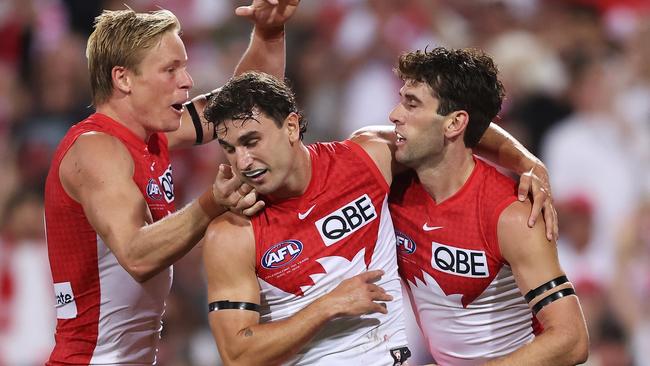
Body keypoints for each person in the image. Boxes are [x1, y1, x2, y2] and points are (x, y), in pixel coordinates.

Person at [200, 71, 555, 365]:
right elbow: (237, 354)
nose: (242, 161)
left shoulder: (366, 159)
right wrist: (328, 306)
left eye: (251, 141)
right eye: (230, 149)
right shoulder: (233, 233)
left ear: (291, 127)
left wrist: (528, 164)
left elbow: (450, 127)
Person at [43, 1, 299, 364]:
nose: (187, 80)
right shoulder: (95, 149)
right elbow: (136, 254)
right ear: (123, 79)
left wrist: (270, 33)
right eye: (170, 69)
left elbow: (247, 101)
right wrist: (213, 202)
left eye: (185, 67)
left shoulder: (152, 135)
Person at [385, 47, 589, 365]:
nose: (395, 115)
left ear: (454, 124)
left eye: (412, 104)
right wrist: (526, 159)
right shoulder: (391, 182)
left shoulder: (511, 215)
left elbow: (571, 340)